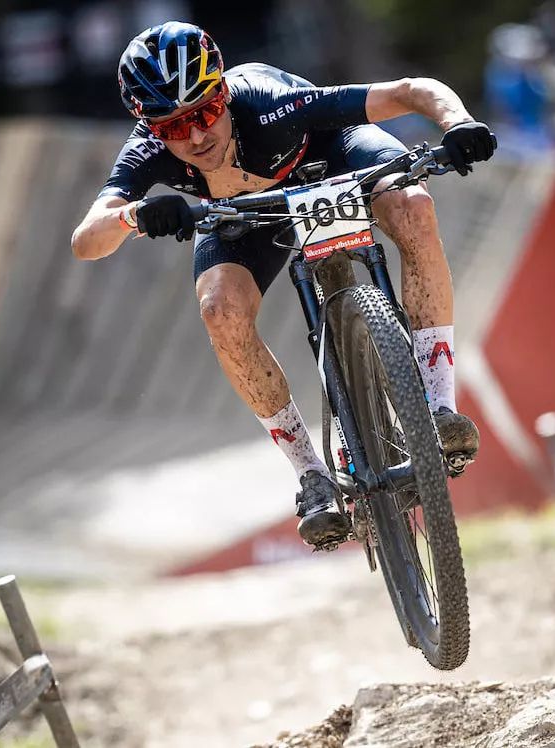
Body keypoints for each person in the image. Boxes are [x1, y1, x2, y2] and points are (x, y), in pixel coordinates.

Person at [71, 22, 495, 547]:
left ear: (223, 92)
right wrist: (134, 216)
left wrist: (459, 123)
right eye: (173, 128)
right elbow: (86, 240)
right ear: (151, 129)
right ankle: (311, 474)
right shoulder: (147, 153)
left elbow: (408, 91)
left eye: (204, 113)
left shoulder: (273, 103)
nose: (196, 136)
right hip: (242, 215)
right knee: (219, 309)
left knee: (413, 207)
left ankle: (438, 407)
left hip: (328, 157)